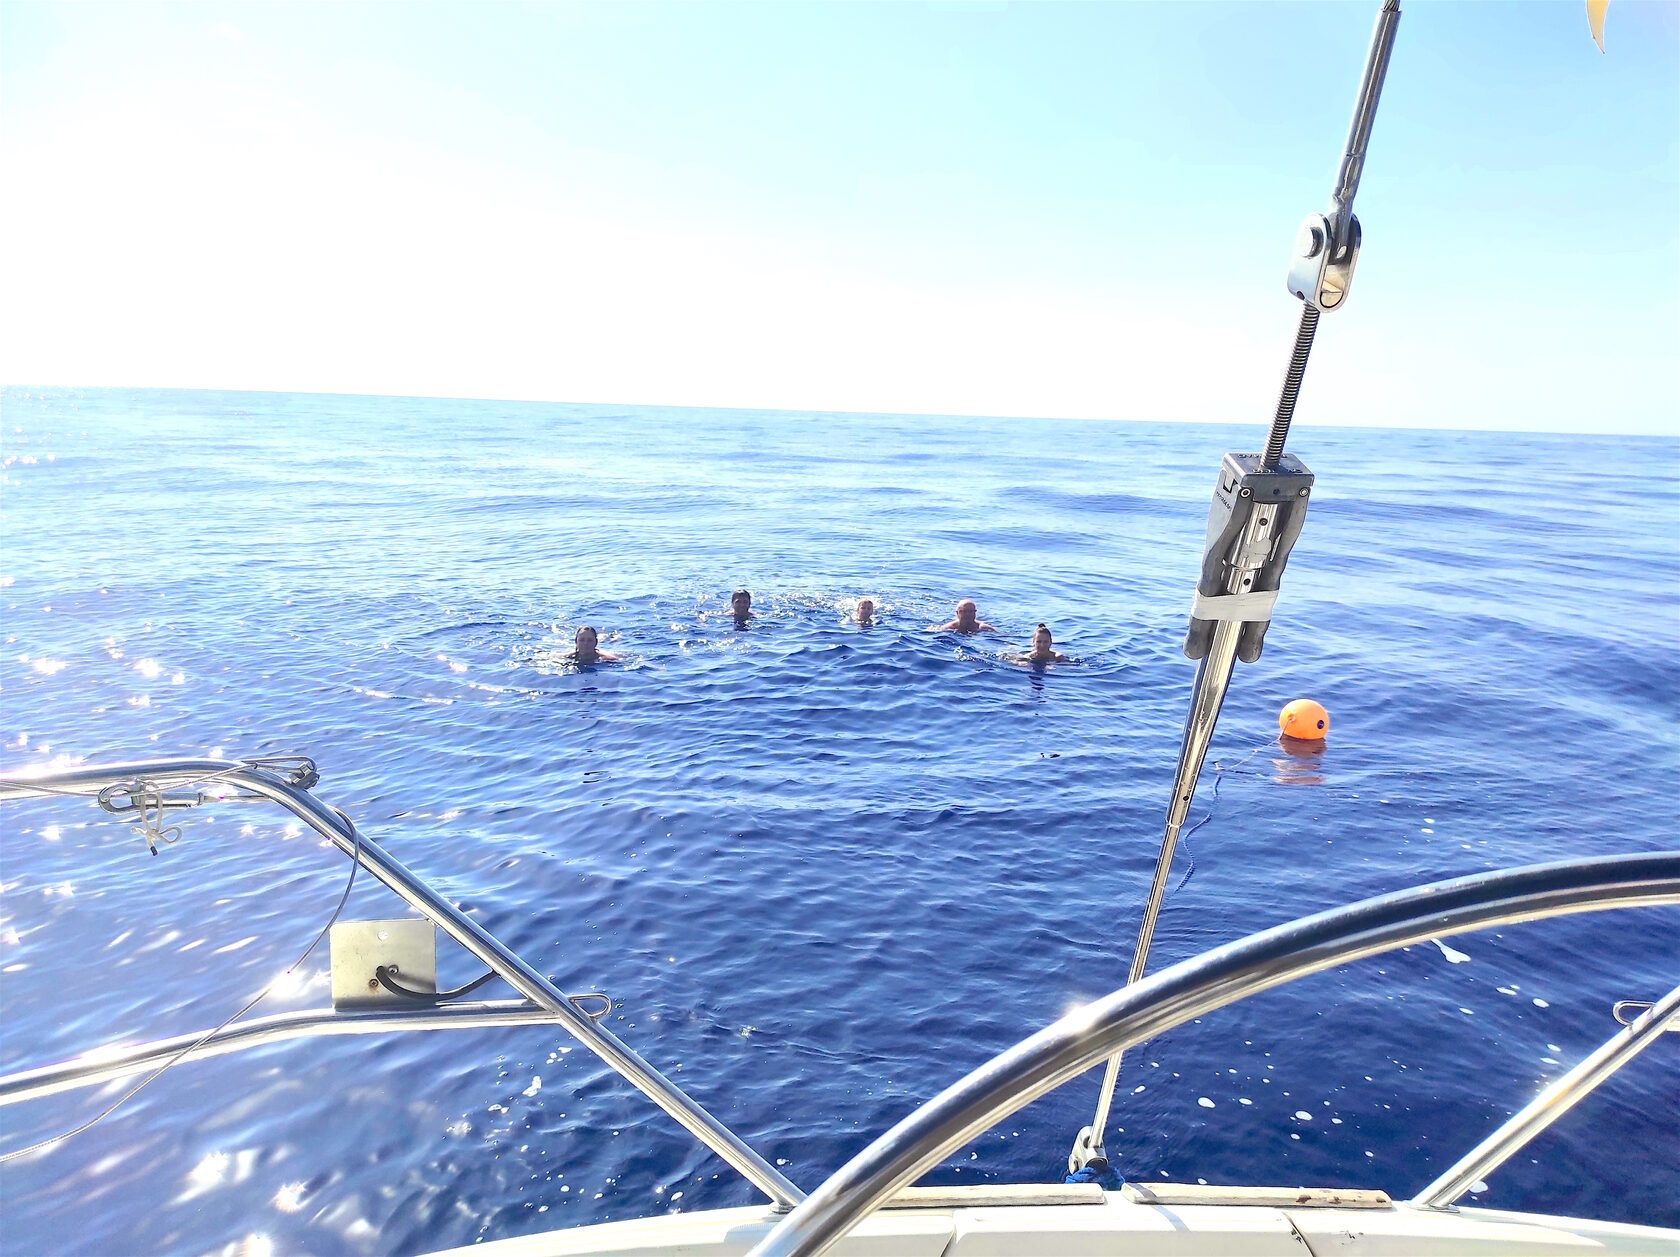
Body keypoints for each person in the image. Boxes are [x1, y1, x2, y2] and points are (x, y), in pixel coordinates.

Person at [930, 598, 994, 634]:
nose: (968, 614)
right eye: (964, 611)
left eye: (971, 611)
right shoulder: (949, 627)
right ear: (957, 613)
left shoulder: (982, 627)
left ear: (975, 612)